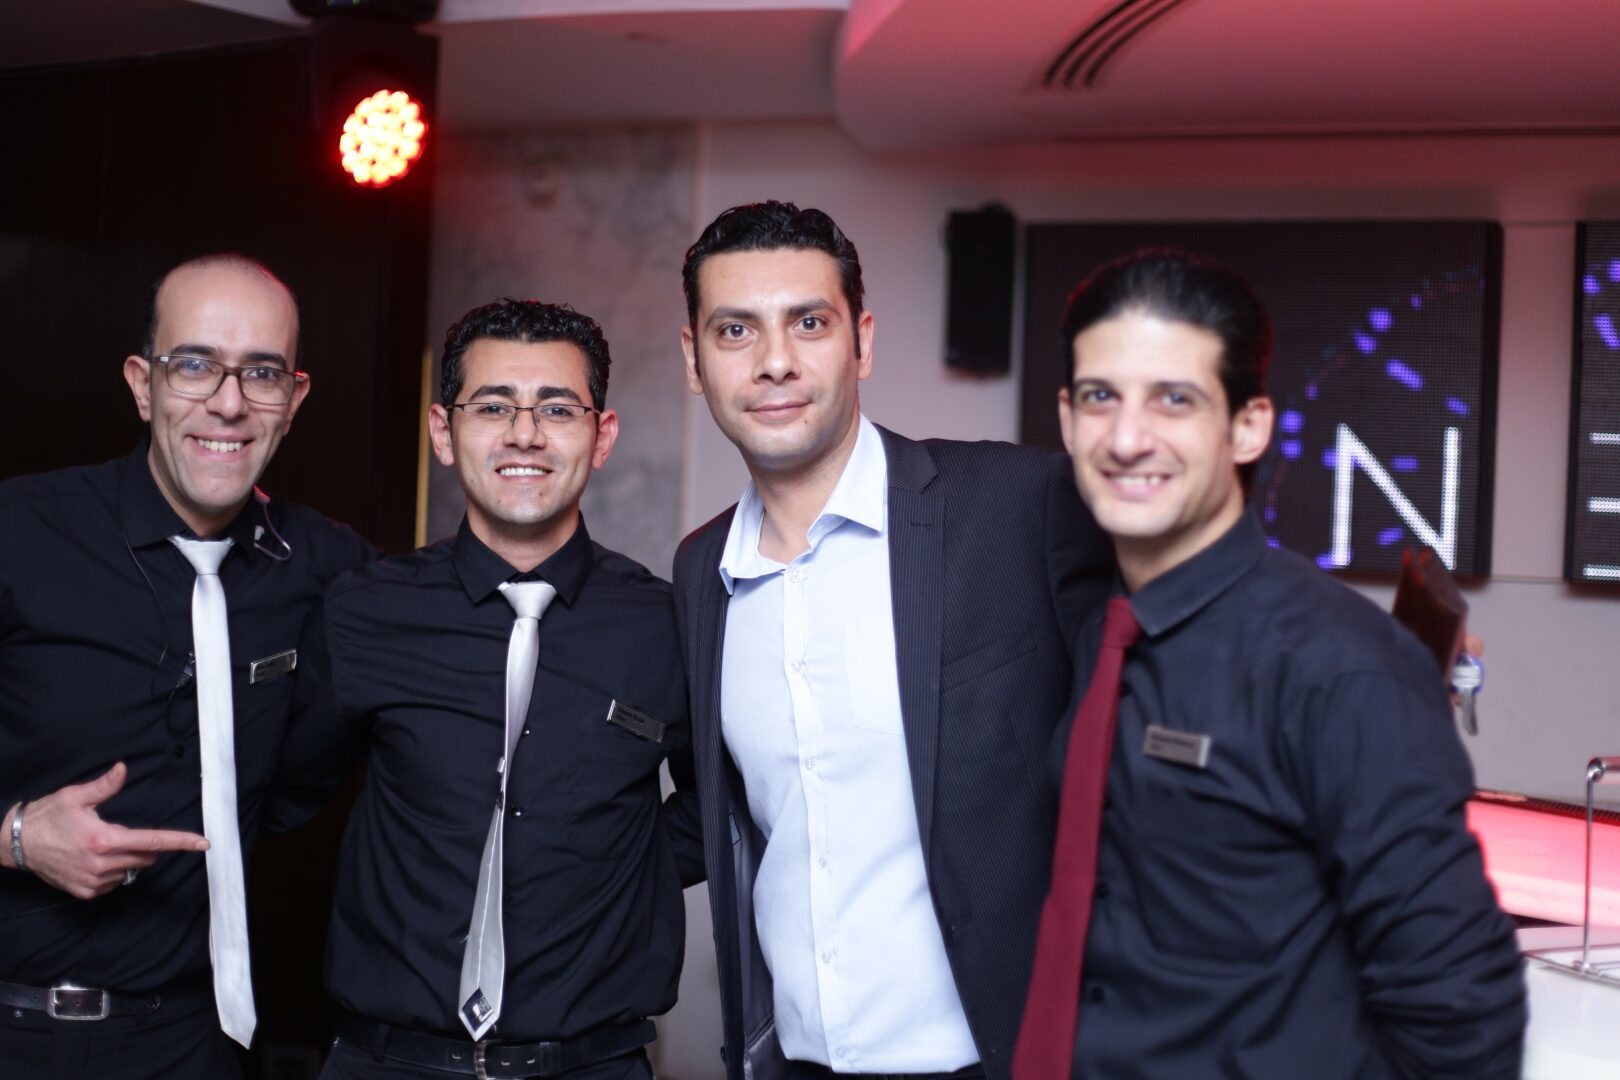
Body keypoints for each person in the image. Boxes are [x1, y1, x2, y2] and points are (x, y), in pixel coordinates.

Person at [1014, 249, 1526, 1080]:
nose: (1127, 439)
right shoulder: (1094, 627)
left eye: (1174, 399)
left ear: (1248, 426)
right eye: (1101, 397)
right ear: (1068, 419)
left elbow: (1461, 1013)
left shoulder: (1342, 668)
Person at [671, 201, 1115, 1080]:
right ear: (694, 360)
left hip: (1000, 1061)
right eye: (735, 330)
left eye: (809, 323)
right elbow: (713, 811)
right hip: (794, 1062)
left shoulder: (1017, 506)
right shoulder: (700, 571)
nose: (774, 361)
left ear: (862, 342)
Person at [276, 299, 702, 1080]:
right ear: (444, 432)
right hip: (386, 1064)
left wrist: (611, 871)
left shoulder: (667, 625)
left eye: (558, 409)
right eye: (494, 406)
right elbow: (288, 790)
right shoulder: (366, 610)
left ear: (602, 436)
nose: (524, 434)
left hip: (592, 1067)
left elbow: (720, 807)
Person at [0, 254, 376, 1079]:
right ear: (144, 385)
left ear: (294, 401)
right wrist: (16, 837)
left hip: (195, 1043)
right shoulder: (20, 533)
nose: (230, 403)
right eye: (196, 365)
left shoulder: (327, 567)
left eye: (262, 373)